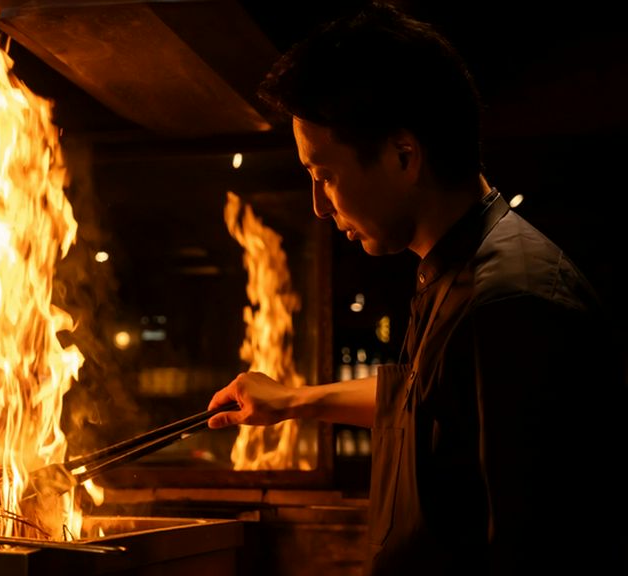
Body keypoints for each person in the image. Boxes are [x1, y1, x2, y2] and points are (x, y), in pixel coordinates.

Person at [206, 2, 628, 574]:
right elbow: (423, 402)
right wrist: (294, 403)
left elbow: (535, 549)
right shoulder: (460, 270)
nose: (318, 207)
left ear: (404, 156)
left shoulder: (510, 302)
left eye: (324, 176)